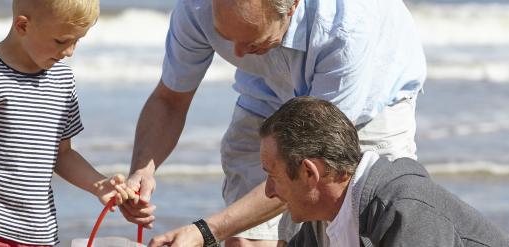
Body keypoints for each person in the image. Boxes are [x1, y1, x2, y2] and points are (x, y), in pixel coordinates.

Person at [122, 0, 426, 245]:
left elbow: (312, 156)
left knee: (356, 219)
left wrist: (206, 231)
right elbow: (170, 100)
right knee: (247, 237)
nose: (237, 53)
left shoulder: (348, 27)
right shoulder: (197, 8)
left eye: (251, 40)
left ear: (291, 6)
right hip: (267, 90)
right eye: (227, 38)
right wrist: (142, 170)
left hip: (370, 98)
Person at [152, 97, 509, 247]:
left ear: (311, 174)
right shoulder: (322, 218)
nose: (267, 191)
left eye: (273, 175)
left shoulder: (405, 210)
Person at [0, 0, 136, 246]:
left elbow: (62, 154)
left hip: (39, 233)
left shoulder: (63, 81)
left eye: (77, 40)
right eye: (61, 40)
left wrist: (99, 184)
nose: (69, 51)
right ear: (23, 26)